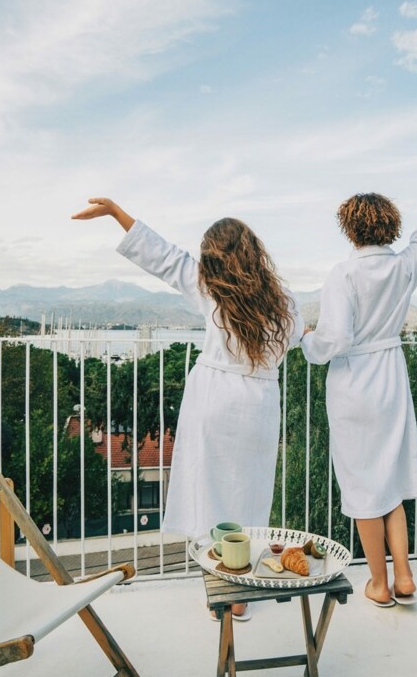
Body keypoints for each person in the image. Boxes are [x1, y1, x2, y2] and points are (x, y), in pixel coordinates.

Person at [72, 198, 303, 619]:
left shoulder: (210, 289)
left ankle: (220, 588)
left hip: (214, 399)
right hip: (259, 407)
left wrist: (115, 213)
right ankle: (240, 598)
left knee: (210, 494)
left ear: (214, 256)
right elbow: (296, 338)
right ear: (254, 249)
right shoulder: (285, 301)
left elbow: (164, 258)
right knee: (250, 496)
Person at [300, 147, 417, 607]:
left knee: (364, 486)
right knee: (389, 481)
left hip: (354, 386)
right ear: (390, 226)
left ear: (350, 228)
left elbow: (334, 339)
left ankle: (380, 584)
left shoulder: (342, 274)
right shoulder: (404, 266)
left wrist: (307, 340)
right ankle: (405, 577)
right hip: (391, 380)